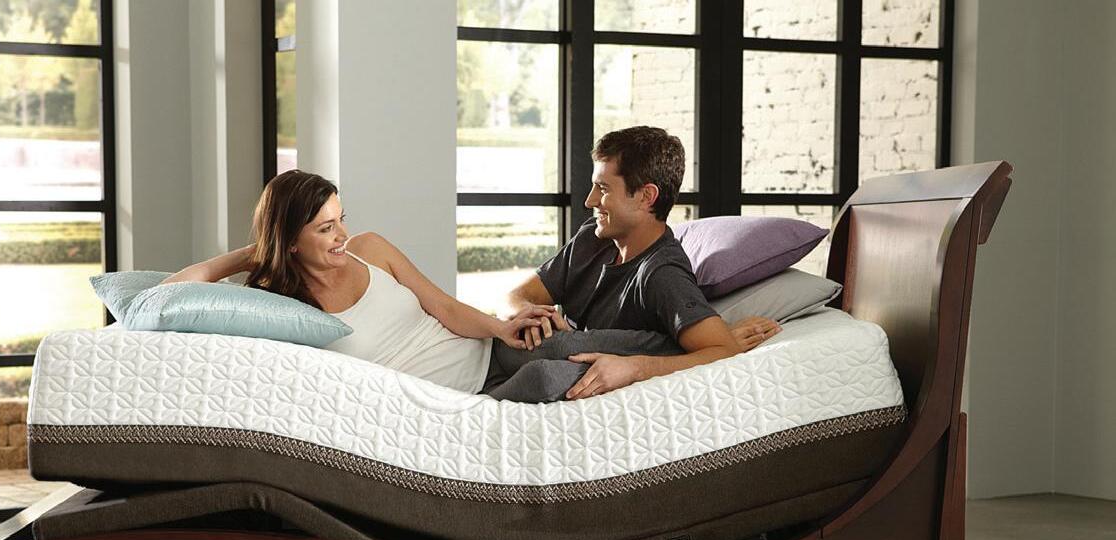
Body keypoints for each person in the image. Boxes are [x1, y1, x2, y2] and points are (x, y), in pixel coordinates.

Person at [163, 170, 766, 402]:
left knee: (554, 342)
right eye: (324, 228)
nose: (342, 234)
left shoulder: (371, 248)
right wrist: (256, 251)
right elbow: (175, 292)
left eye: (341, 218)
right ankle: (711, 345)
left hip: (483, 352)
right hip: (462, 398)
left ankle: (710, 344)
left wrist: (502, 327)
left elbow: (444, 307)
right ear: (290, 239)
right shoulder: (277, 306)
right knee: (549, 377)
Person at [503, 125, 781, 399]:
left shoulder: (663, 273)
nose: (590, 200)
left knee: (541, 376)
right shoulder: (592, 238)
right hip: (539, 360)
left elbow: (724, 351)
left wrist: (635, 367)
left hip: (557, 373)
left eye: (603, 188)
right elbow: (517, 296)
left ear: (646, 196)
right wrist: (534, 316)